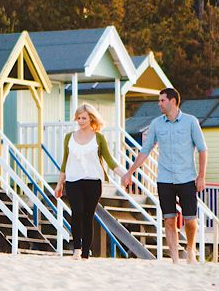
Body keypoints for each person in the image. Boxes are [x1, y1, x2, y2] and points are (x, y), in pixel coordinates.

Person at [123, 86, 208, 262]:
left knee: (190, 220)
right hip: (165, 179)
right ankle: (175, 259)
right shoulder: (156, 124)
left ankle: (190, 248)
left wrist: (201, 176)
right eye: (159, 100)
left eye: (162, 100)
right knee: (169, 220)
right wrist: (130, 172)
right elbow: (145, 150)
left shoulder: (191, 122)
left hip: (186, 178)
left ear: (173, 101)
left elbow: (202, 149)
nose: (159, 104)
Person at [55, 103, 115, 259]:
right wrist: (59, 184)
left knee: (88, 215)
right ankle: (77, 248)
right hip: (73, 180)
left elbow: (109, 160)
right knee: (77, 212)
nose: (81, 121)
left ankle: (86, 253)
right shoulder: (69, 137)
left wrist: (126, 174)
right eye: (78, 118)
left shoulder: (99, 138)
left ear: (91, 119)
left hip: (93, 181)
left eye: (84, 118)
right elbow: (64, 162)